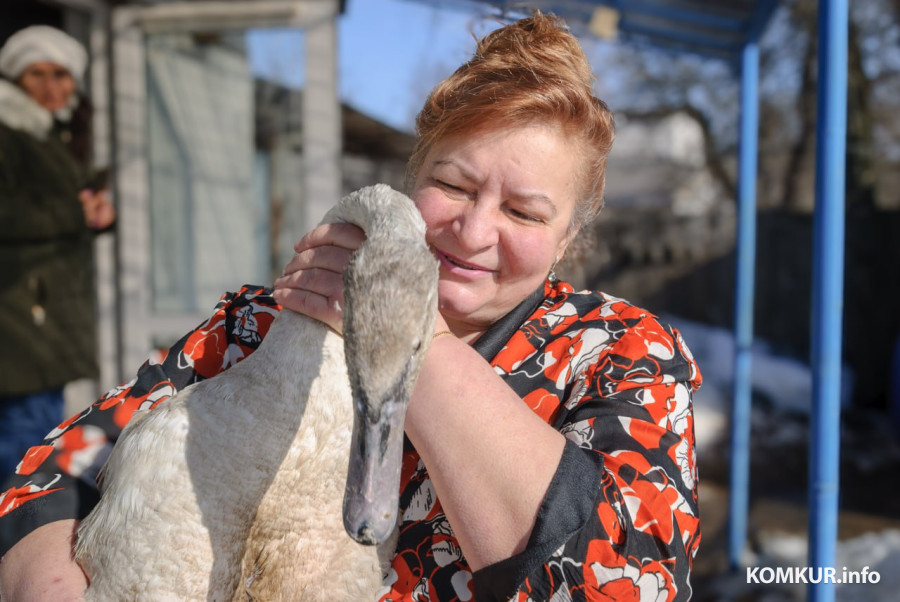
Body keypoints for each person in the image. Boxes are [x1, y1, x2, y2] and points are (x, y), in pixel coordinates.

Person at [0, 12, 701, 601]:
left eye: (523, 211)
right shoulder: (263, 326)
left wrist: (400, 330)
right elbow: (52, 472)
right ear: (412, 176)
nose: (474, 230)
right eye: (453, 186)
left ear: (570, 234)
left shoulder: (623, 355)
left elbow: (623, 582)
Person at [0, 25, 115, 485]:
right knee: (23, 440)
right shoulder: (9, 131)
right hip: (20, 315)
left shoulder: (50, 131)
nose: (53, 86)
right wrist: (73, 210)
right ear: (15, 78)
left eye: (62, 75)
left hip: (42, 311)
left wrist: (96, 214)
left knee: (32, 429)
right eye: (38, 74)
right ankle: (13, 545)